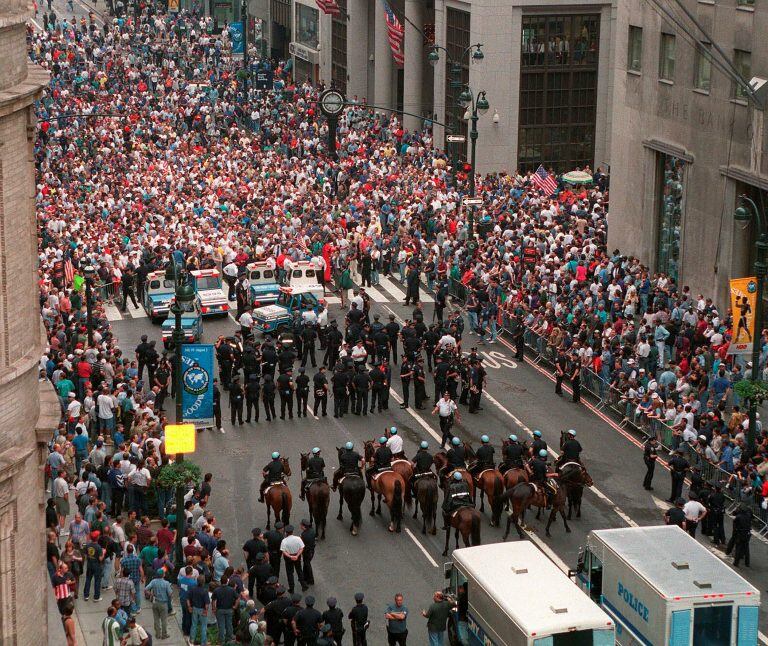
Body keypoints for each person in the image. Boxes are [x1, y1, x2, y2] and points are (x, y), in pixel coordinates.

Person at [143, 568, 172, 640]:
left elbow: (146, 589)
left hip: (155, 602)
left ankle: (158, 634)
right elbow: (170, 594)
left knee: (156, 619)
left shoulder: (153, 581)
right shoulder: (166, 583)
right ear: (163, 575)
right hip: (163, 604)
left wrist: (151, 595)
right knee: (164, 620)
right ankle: (164, 634)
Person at [281, 525, 307, 594]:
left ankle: (291, 588)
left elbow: (283, 551)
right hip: (297, 556)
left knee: (289, 573)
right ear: (292, 532)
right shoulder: (298, 538)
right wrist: (297, 555)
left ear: (286, 532)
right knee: (299, 571)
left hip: (288, 558)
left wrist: (290, 556)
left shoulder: (284, 541)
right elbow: (302, 548)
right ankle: (303, 586)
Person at [212, 577, 239, 645]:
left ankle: (221, 641)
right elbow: (238, 598)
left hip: (220, 610)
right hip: (229, 609)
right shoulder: (231, 590)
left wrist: (214, 608)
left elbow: (213, 600)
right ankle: (229, 639)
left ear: (221, 581)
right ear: (227, 581)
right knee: (229, 624)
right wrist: (235, 606)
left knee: (221, 626)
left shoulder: (216, 590)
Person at [187, 575, 211, 646]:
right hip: (202, 609)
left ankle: (191, 640)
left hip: (194, 608)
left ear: (197, 581)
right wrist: (206, 610)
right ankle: (203, 643)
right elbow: (207, 603)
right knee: (203, 626)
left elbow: (188, 599)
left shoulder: (193, 589)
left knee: (194, 624)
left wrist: (189, 607)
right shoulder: (205, 591)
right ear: (203, 582)